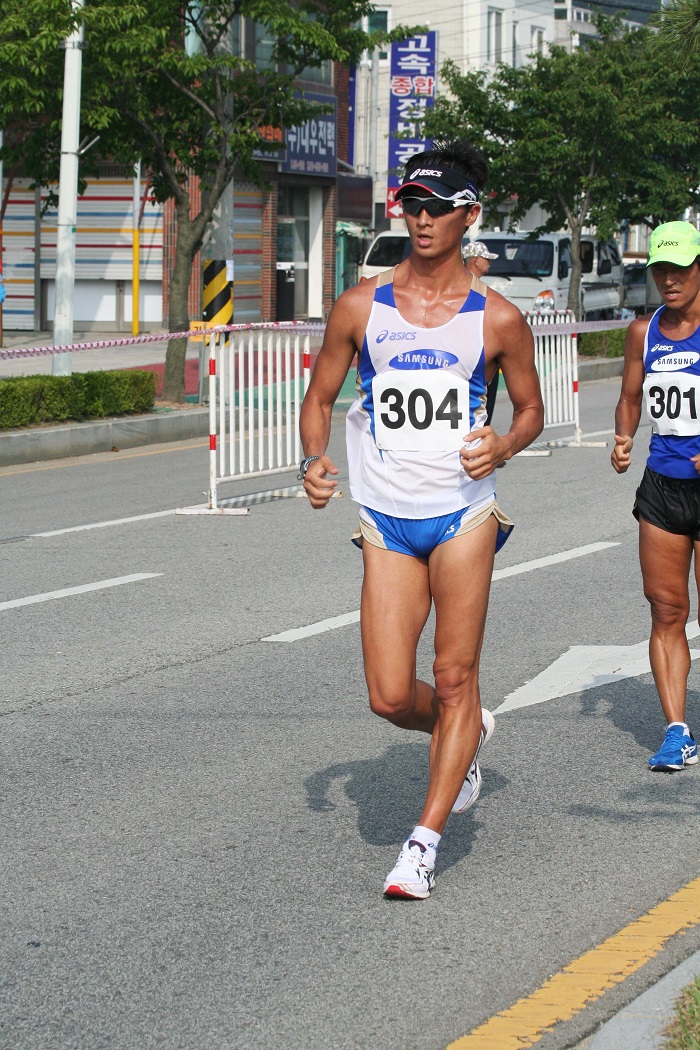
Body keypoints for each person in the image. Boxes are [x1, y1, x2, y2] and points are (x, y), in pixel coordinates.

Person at [299, 139, 544, 899]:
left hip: (463, 517)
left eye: (439, 206)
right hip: (385, 518)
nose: (423, 217)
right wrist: (311, 461)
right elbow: (319, 400)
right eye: (413, 203)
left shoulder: (497, 319)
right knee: (388, 695)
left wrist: (502, 442)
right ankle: (463, 734)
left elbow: (533, 411)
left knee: (453, 672)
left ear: (470, 214)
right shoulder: (360, 305)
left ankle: (422, 843)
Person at [611, 220, 700, 773]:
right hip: (663, 488)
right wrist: (622, 436)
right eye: (660, 270)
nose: (669, 279)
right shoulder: (644, 332)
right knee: (666, 609)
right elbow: (628, 397)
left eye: (680, 268)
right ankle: (676, 731)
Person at [464, 241, 501, 429]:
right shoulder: (470, 288)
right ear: (476, 260)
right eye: (486, 259)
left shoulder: (478, 287)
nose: (489, 263)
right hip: (475, 357)